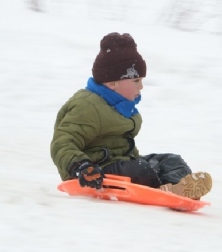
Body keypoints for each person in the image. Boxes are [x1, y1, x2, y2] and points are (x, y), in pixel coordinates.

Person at [50, 32, 212, 200]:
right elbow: (62, 142)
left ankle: (176, 188)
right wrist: (81, 166)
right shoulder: (88, 106)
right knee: (140, 169)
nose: (141, 87)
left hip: (122, 164)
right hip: (92, 173)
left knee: (171, 161)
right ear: (112, 83)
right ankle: (163, 190)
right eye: (136, 81)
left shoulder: (121, 105)